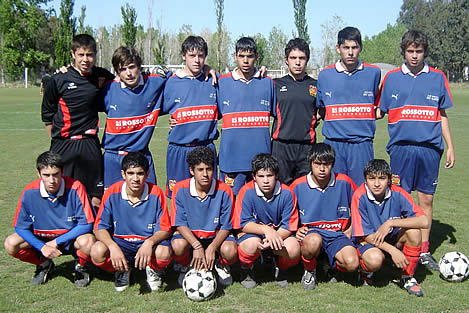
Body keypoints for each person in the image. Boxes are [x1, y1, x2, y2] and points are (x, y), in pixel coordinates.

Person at [376, 30, 455, 271]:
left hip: (430, 149)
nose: (414, 55)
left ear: (424, 52)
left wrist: (450, 146)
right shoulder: (391, 78)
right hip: (401, 149)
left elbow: (442, 115)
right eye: (410, 51)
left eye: (418, 51)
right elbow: (378, 111)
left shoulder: (438, 77)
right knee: (400, 199)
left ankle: (423, 250)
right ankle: (401, 247)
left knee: (426, 199)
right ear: (404, 52)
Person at [41, 34, 114, 210]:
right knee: (60, 192)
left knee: (95, 197)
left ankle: (91, 235)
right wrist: (56, 141)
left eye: (89, 55)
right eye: (81, 55)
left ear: (95, 55)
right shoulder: (59, 80)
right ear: (73, 54)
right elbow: (47, 114)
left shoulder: (101, 76)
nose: (85, 59)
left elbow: (123, 82)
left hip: (89, 143)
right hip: (63, 145)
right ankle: (61, 232)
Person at [4, 151, 95, 287]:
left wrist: (56, 242)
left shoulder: (76, 187)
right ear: (38, 173)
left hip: (69, 240)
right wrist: (42, 247)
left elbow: (87, 224)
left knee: (88, 241)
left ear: (62, 172)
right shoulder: (29, 191)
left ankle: (81, 267)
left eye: (55, 174)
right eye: (46, 175)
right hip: (42, 240)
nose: (52, 180)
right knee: (10, 243)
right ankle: (44, 264)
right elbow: (20, 227)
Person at [91, 152, 172, 292]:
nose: (135, 179)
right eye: (131, 173)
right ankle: (122, 269)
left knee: (164, 252)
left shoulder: (156, 193)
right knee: (97, 251)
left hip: (146, 242)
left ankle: (153, 270)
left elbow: (165, 228)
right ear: (123, 174)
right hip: (121, 243)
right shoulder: (112, 192)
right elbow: (99, 227)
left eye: (140, 173)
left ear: (147, 174)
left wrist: (149, 242)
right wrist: (112, 246)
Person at [351, 159, 429, 296]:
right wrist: (393, 251)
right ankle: (365, 272)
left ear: (389, 180)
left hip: (392, 237)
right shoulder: (359, 196)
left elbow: (424, 221)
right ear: (365, 180)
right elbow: (365, 235)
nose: (376, 184)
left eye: (382, 178)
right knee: (375, 259)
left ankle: (407, 276)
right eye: (371, 178)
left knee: (414, 232)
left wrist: (391, 223)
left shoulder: (398, 192)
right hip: (369, 241)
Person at [316, 26, 381, 186]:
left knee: (360, 192)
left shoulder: (373, 73)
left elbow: (378, 108)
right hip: (334, 144)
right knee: (334, 191)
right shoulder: (325, 75)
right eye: (346, 47)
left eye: (354, 47)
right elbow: (321, 109)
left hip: (362, 144)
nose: (350, 52)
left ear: (361, 48)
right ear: (338, 48)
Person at [291, 143, 358, 290]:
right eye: (317, 164)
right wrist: (295, 230)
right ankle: (310, 270)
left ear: (333, 164)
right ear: (310, 164)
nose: (322, 169)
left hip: (337, 234)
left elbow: (361, 207)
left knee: (352, 263)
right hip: (312, 234)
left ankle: (330, 265)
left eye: (326, 164)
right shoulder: (298, 185)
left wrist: (352, 228)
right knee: (313, 241)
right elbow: (288, 213)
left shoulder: (344, 182)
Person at [99, 46, 167, 189]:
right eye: (122, 69)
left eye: (132, 67)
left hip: (140, 156)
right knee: (113, 205)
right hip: (113, 158)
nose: (128, 73)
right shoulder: (108, 89)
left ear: (139, 67)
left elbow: (181, 77)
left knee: (149, 201)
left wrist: (207, 69)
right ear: (117, 72)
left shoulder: (154, 83)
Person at [217, 37, 276, 195]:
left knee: (258, 206)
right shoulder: (222, 83)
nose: (245, 60)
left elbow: (281, 115)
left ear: (256, 56)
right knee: (230, 206)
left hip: (260, 163)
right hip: (231, 161)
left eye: (249, 56)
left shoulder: (267, 83)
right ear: (235, 56)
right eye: (241, 56)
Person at [171, 146, 237, 287]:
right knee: (177, 245)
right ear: (191, 171)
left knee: (230, 251)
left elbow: (226, 225)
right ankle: (186, 265)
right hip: (191, 237)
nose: (205, 174)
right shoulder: (180, 189)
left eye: (209, 169)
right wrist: (197, 246)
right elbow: (179, 223)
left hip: (215, 236)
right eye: (200, 170)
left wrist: (212, 247)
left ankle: (221, 264)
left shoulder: (224, 190)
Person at [162, 36, 219, 198]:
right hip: (179, 149)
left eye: (201, 56)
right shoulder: (170, 83)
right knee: (178, 197)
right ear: (183, 56)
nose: (197, 60)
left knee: (208, 196)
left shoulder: (214, 80)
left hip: (205, 147)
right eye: (192, 55)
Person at [233, 153, 300, 288]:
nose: (265, 181)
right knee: (251, 245)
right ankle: (247, 269)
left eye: (269, 176)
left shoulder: (287, 193)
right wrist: (265, 229)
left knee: (293, 249)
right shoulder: (245, 191)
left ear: (276, 175)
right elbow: (244, 223)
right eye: (261, 176)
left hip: (278, 236)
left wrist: (272, 239)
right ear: (254, 177)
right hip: (254, 235)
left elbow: (288, 226)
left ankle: (281, 268)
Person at [272, 38, 318, 185]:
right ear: (286, 60)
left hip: (306, 147)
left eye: (301, 58)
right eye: (293, 58)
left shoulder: (316, 85)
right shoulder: (275, 84)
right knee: (281, 190)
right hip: (281, 147)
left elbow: (323, 110)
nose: (297, 62)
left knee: (304, 189)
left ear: (307, 60)